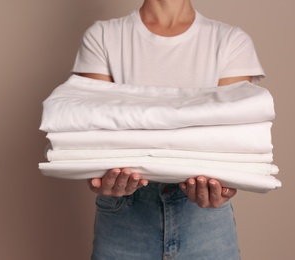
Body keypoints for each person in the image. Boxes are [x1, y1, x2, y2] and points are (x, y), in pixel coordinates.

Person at [72, 0, 264, 259]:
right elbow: (93, 137)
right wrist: (99, 175)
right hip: (124, 220)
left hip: (204, 222)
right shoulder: (104, 37)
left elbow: (230, 140)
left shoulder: (230, 40)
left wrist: (226, 185)